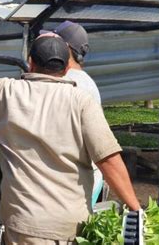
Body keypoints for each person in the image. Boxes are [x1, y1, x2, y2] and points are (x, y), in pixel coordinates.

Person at [0, 35, 140, 244]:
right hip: (72, 227)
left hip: (26, 224)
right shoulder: (82, 101)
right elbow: (108, 159)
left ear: (30, 62)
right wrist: (135, 209)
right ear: (67, 67)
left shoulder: (6, 92)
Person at [41, 20, 103, 206]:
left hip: (75, 185)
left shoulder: (69, 83)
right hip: (83, 178)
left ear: (66, 48)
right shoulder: (84, 80)